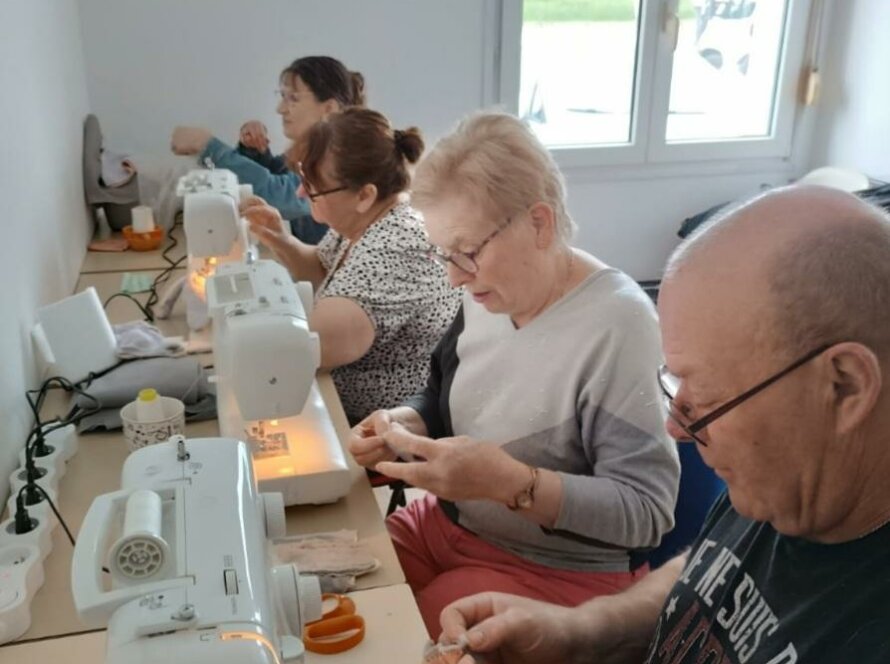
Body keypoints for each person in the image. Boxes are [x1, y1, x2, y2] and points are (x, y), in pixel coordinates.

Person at [435, 185, 890, 663]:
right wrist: (580, 630)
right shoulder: (792, 481)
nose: (676, 428)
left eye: (706, 395)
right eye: (676, 383)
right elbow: (704, 568)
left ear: (844, 385)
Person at [347, 112, 680, 637]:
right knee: (342, 590)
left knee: (392, 640)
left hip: (557, 569)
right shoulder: (487, 291)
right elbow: (443, 392)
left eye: (467, 253)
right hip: (448, 523)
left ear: (539, 223)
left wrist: (511, 484)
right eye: (443, 255)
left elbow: (646, 512)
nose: (454, 277)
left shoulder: (619, 326)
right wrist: (405, 423)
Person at [241, 107, 459, 425]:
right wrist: (279, 238)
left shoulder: (396, 250)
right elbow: (321, 269)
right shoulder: (367, 218)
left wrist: (235, 327)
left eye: (312, 185)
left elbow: (299, 349)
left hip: (380, 431)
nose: (301, 192)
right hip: (345, 411)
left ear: (364, 195)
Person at [171, 55, 365, 243]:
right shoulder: (314, 151)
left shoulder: (342, 160)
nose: (280, 109)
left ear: (329, 109)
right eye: (282, 97)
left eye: (293, 98)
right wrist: (255, 152)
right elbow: (278, 173)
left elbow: (277, 195)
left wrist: (209, 147)